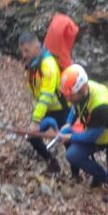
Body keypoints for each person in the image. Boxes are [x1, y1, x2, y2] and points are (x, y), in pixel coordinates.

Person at [57, 65, 108, 215]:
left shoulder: (100, 104)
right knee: (72, 155)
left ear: (82, 89)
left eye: (70, 95)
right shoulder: (81, 93)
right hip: (99, 133)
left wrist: (70, 136)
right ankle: (101, 176)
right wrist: (68, 124)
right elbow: (75, 108)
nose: (67, 98)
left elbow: (91, 136)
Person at [19, 31, 71, 175]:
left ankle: (76, 175)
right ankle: (52, 163)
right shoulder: (32, 65)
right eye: (22, 51)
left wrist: (36, 120)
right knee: (32, 136)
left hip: (62, 109)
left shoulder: (48, 65)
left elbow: (46, 96)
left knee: (68, 142)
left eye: (26, 50)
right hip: (47, 109)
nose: (24, 55)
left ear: (36, 48)